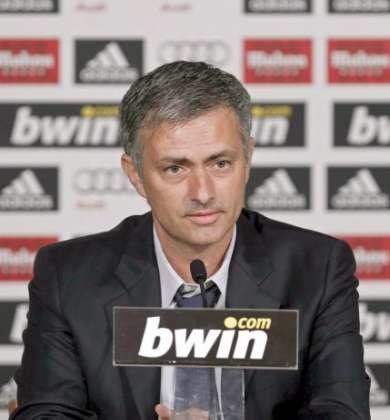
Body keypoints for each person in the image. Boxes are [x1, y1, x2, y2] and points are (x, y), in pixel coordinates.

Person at [12, 61, 371, 420]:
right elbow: (45, 415)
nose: (202, 193)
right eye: (175, 168)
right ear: (135, 174)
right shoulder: (68, 277)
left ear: (248, 159)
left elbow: (341, 414)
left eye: (220, 164)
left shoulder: (317, 269)